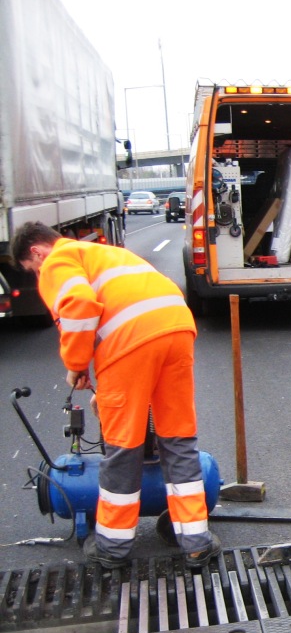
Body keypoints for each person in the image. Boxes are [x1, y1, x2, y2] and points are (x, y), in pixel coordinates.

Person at [10, 221, 219, 570]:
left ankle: (113, 546)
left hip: (130, 343)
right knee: (178, 438)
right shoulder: (105, 254)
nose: (38, 274)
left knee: (123, 447)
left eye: (34, 269)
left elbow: (78, 305)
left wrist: (76, 366)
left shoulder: (59, 260)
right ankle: (196, 543)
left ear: (37, 251)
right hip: (177, 329)